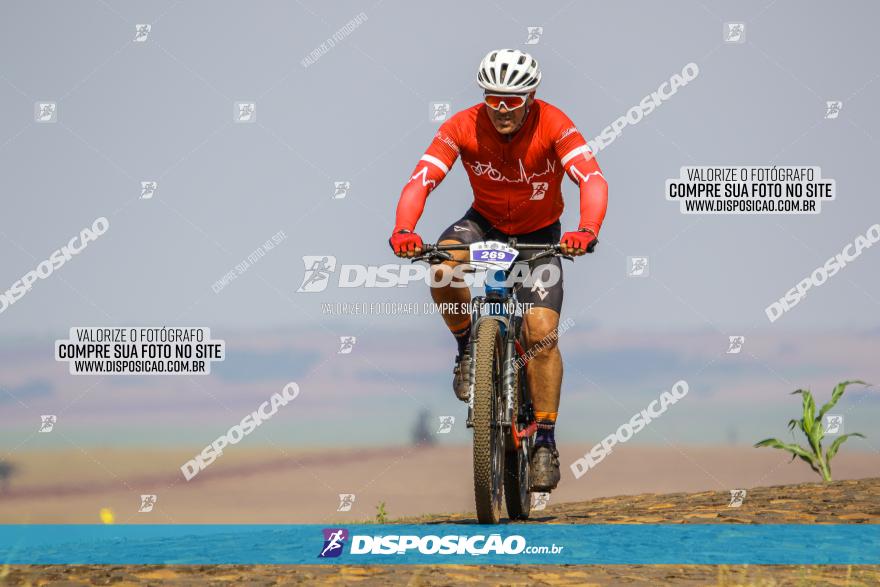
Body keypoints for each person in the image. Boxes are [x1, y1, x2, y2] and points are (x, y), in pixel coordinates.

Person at [389, 49, 608, 491]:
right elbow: (421, 179)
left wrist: (587, 229)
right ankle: (468, 347)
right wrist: (403, 228)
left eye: (512, 99)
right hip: (483, 223)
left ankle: (544, 440)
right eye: (494, 99)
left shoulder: (555, 124)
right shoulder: (461, 126)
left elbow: (592, 179)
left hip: (541, 235)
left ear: (531, 95)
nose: (503, 110)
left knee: (541, 332)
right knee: (441, 266)